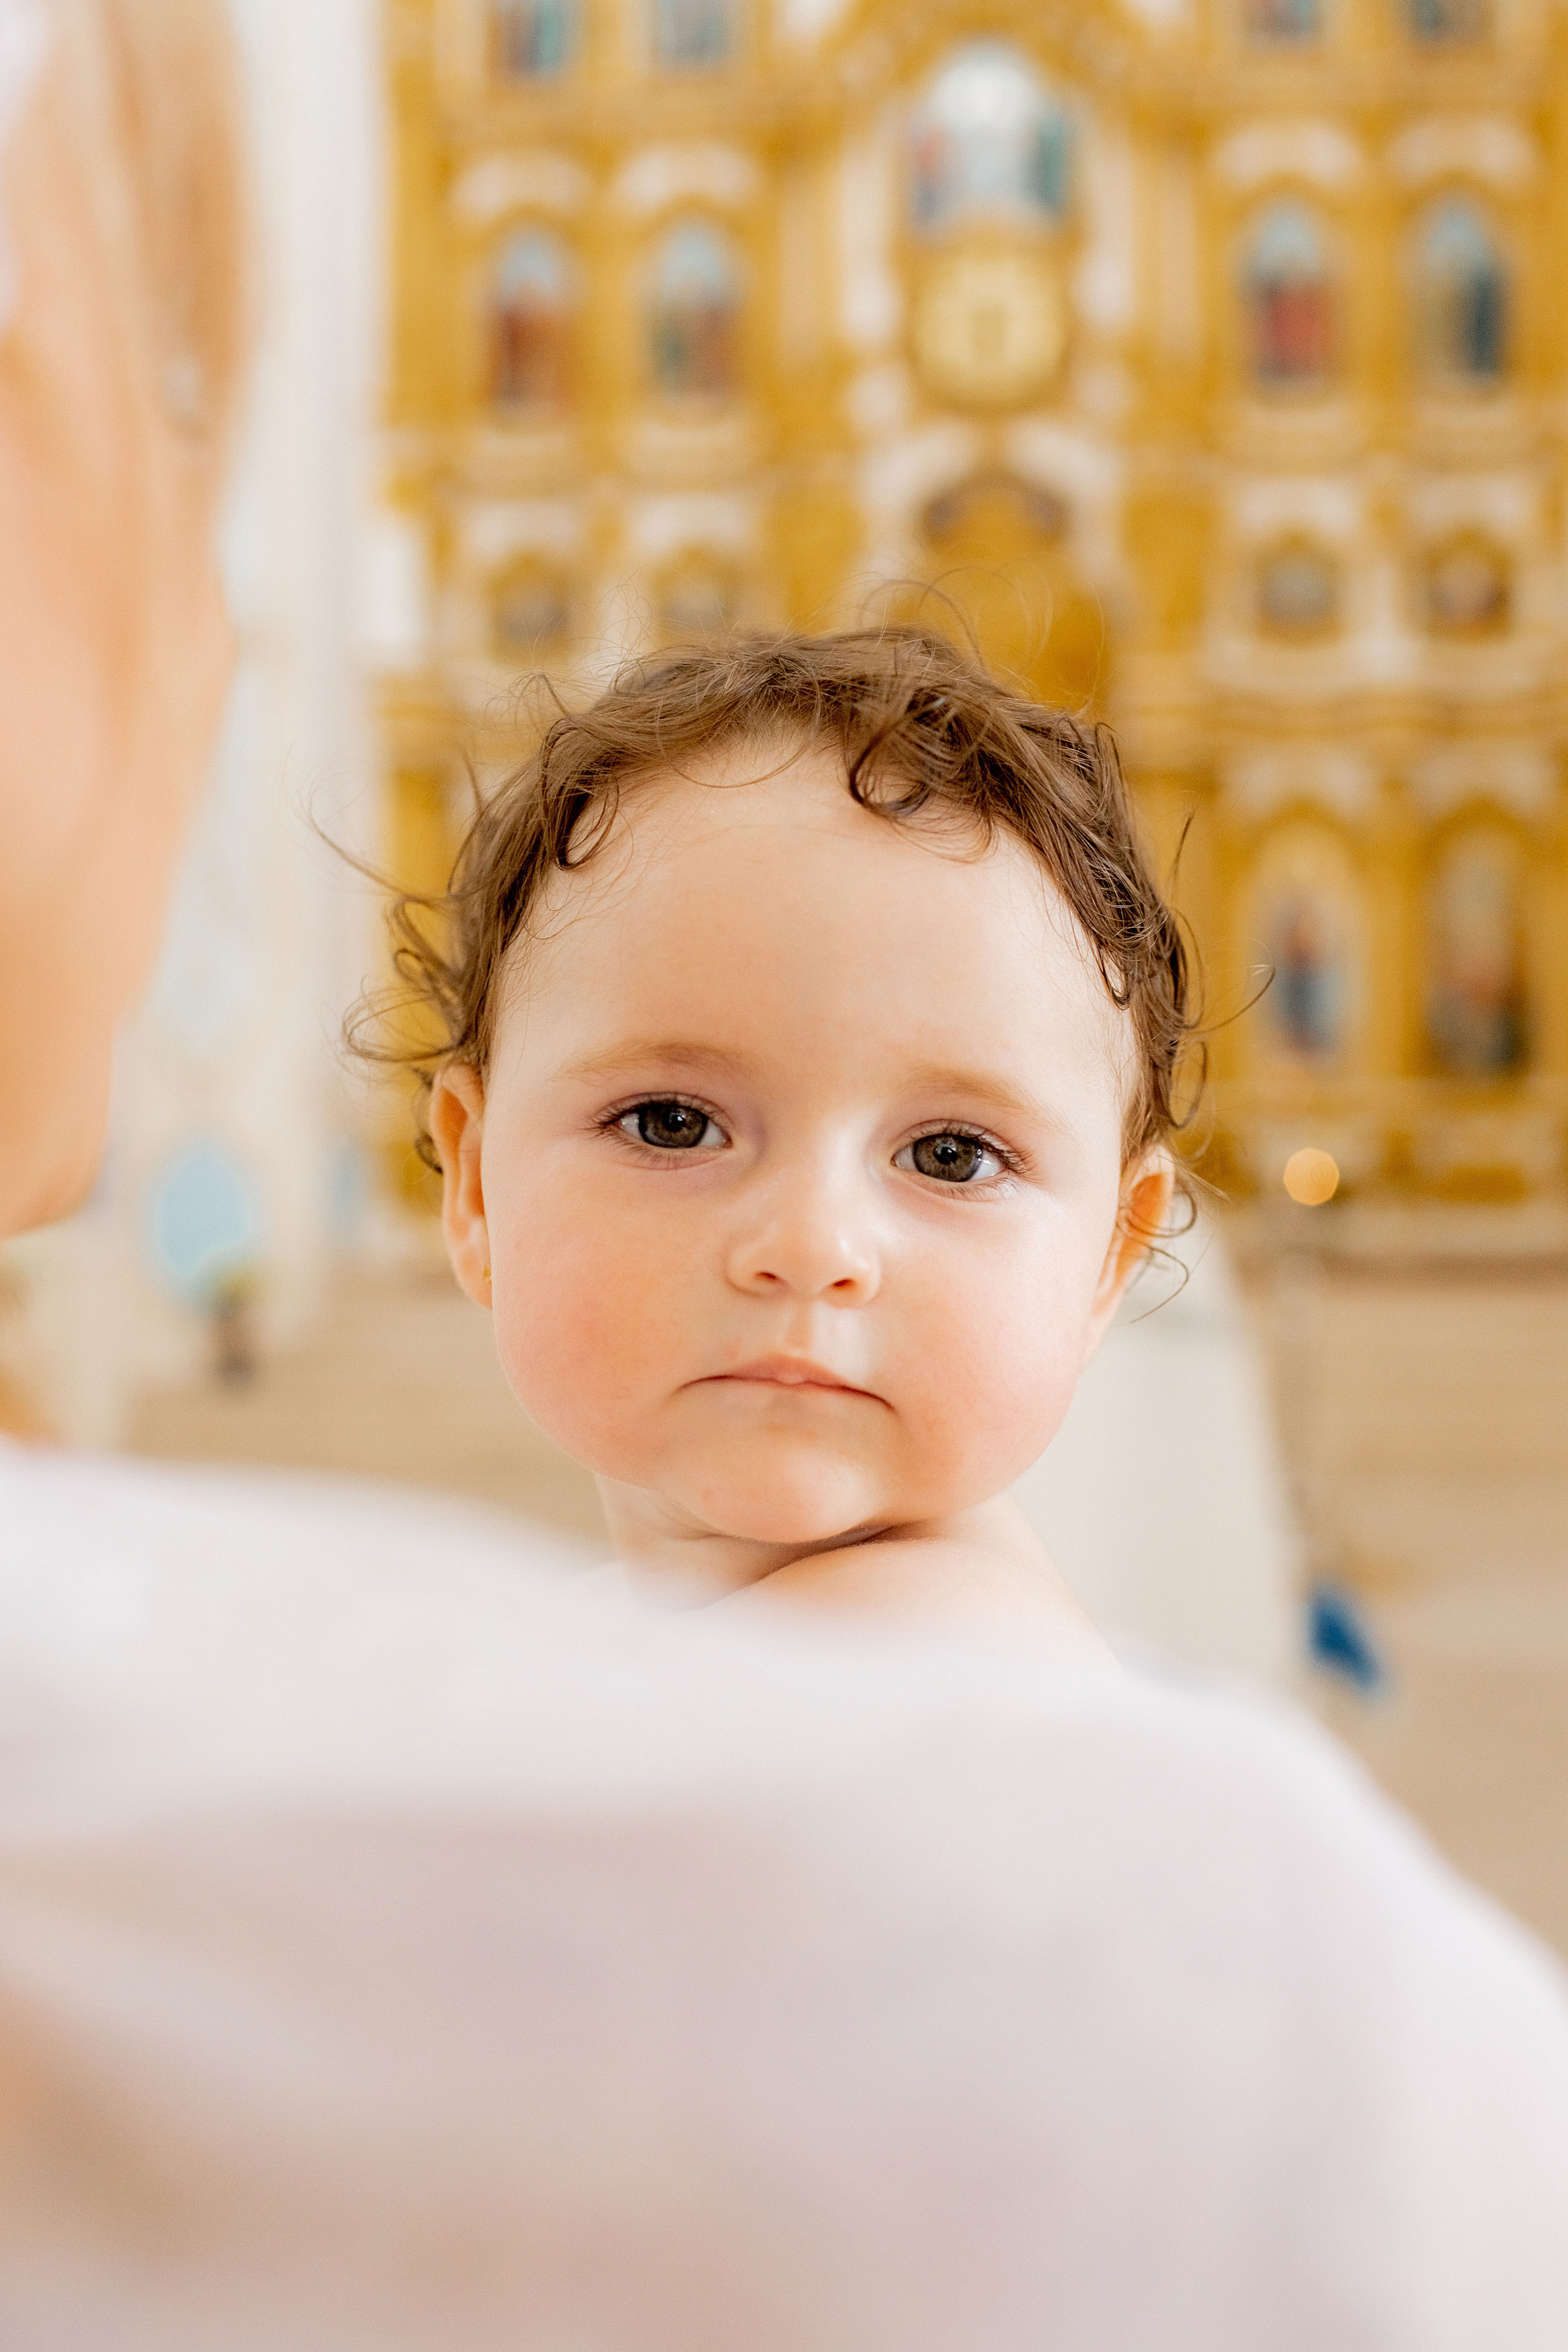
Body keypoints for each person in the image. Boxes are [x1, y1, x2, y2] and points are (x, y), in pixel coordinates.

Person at [1, 5, 1567, 2345]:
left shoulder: (1117, 1852)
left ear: (1134, 1234)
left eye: (954, 1151)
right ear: (468, 1179)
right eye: (669, 1118)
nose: (807, 1240)